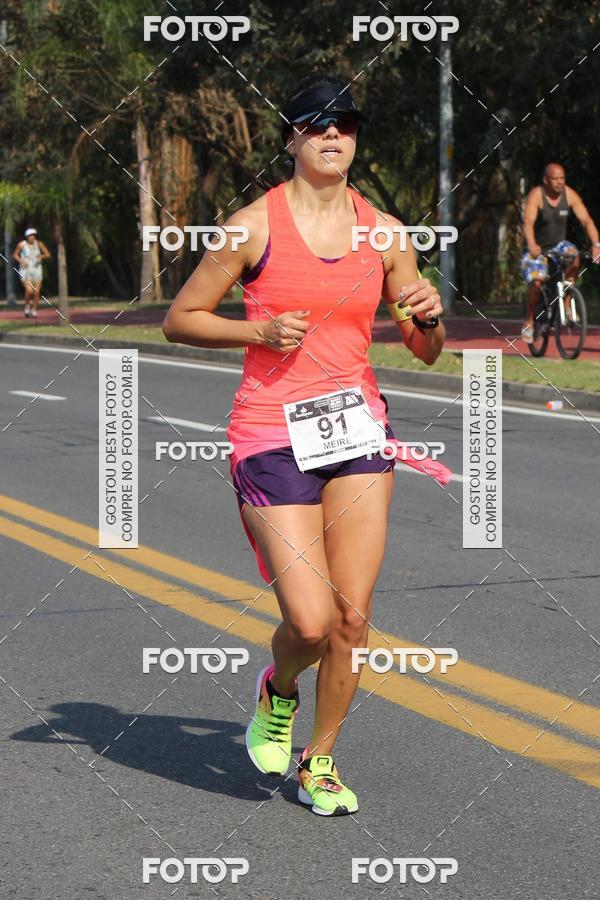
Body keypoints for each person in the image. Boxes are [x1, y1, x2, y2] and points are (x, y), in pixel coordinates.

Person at [162, 74, 445, 816]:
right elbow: (181, 317)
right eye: (316, 124)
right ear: (290, 138)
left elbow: (425, 350)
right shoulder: (251, 226)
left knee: (351, 618)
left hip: (356, 430)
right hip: (269, 433)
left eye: (345, 124)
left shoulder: (386, 233)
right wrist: (256, 330)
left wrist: (429, 315)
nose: (333, 135)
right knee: (312, 622)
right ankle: (277, 688)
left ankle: (319, 761)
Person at [520, 163, 600, 342]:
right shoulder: (536, 195)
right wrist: (532, 244)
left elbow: (586, 220)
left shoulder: (569, 194)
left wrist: (596, 244)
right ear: (546, 180)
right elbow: (528, 223)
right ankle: (529, 320)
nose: (559, 182)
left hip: (559, 246)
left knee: (574, 254)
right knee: (537, 281)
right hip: (538, 248)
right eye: (555, 178)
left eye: (562, 178)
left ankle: (567, 300)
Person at [12, 228, 51, 319]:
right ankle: (27, 306)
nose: (32, 237)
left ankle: (34, 310)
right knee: (29, 291)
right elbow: (15, 254)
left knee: (36, 292)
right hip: (25, 270)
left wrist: (41, 256)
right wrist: (21, 260)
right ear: (27, 236)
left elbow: (48, 254)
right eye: (30, 235)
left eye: (33, 235)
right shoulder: (22, 245)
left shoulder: (39, 244)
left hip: (36, 270)